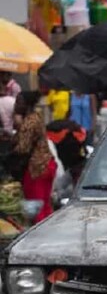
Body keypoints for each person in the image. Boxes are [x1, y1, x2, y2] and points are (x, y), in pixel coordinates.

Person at [13, 92, 56, 222]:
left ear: (26, 104)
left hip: (36, 168)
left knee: (36, 208)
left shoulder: (28, 123)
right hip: (48, 164)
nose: (16, 105)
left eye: (19, 102)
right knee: (46, 205)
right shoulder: (37, 117)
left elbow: (22, 148)